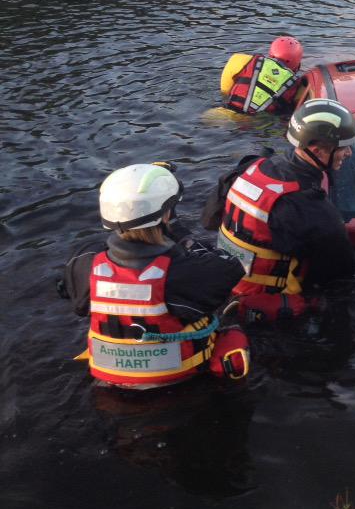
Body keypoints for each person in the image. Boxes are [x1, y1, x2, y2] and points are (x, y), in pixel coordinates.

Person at [59, 163, 250, 388]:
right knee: (235, 328)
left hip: (107, 384)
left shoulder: (84, 261)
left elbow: (68, 293)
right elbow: (231, 267)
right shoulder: (185, 272)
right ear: (166, 214)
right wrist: (180, 233)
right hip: (182, 386)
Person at [203, 98, 355, 322]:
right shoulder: (313, 210)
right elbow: (341, 275)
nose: (349, 153)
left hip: (223, 287)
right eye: (344, 147)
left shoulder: (250, 167)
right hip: (270, 312)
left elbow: (209, 220)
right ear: (317, 150)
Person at [220, 35, 304, 114]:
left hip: (225, 111)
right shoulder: (297, 85)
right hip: (256, 124)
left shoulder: (240, 60)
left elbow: (225, 91)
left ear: (271, 53)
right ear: (297, 66)